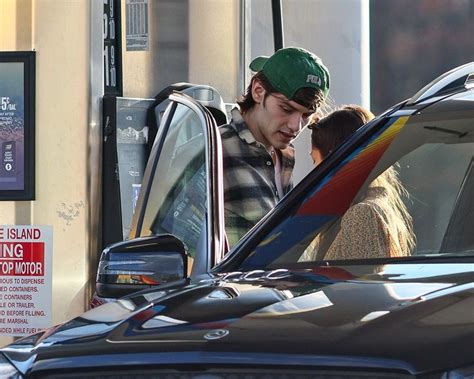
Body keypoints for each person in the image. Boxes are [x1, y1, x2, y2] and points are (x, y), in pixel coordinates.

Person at [220, 47, 331, 247]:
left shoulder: (285, 156)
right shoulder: (215, 149)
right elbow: (176, 251)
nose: (296, 126)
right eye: (286, 108)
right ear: (258, 91)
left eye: (307, 115)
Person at [307, 105, 415, 260]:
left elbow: (357, 282)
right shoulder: (371, 207)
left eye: (315, 162)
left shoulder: (361, 215)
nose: (314, 173)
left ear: (334, 162)